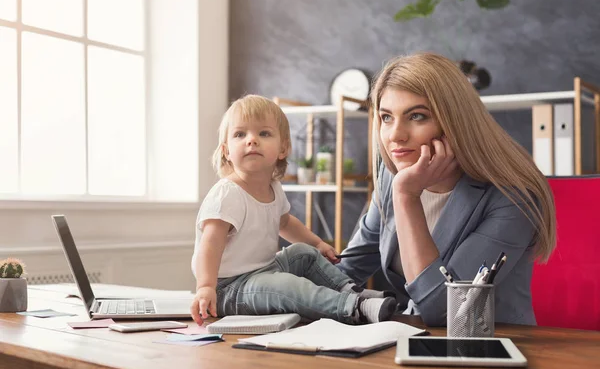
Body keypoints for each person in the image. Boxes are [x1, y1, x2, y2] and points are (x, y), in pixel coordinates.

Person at [337, 52, 556, 326]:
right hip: (412, 341)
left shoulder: (512, 195)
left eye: (417, 116)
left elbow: (444, 310)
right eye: (386, 117)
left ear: (455, 121)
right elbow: (350, 268)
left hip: (490, 349)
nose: (395, 135)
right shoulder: (391, 175)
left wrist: (407, 197)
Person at [190, 95, 396, 325]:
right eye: (240, 134)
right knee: (286, 286)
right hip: (229, 288)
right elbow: (210, 244)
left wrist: (317, 244)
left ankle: (351, 292)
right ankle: (352, 307)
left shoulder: (274, 188)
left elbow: (286, 223)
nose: (251, 140)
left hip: (264, 270)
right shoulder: (227, 193)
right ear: (226, 151)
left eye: (264, 133)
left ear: (283, 148)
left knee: (303, 253)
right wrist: (206, 287)